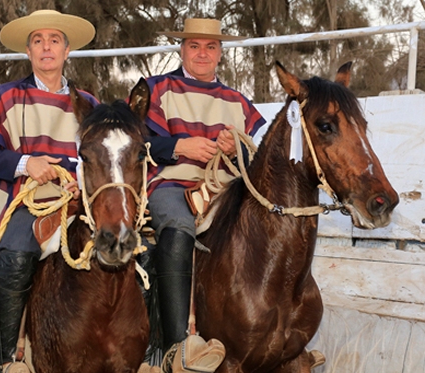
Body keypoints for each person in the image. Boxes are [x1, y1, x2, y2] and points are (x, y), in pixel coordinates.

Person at [0, 9, 99, 370]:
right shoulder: (7, 96)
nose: (46, 47)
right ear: (28, 51)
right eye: (38, 41)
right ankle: (6, 360)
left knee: (135, 247)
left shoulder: (90, 104)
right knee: (17, 254)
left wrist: (80, 178)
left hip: (79, 200)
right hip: (27, 202)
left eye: (54, 40)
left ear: (67, 51)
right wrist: (26, 164)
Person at [144, 18, 266, 372]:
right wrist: (179, 144)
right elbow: (134, 143)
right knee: (178, 230)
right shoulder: (157, 89)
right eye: (194, 46)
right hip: (172, 184)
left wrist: (236, 151)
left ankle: (272, 334)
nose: (202, 53)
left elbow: (254, 159)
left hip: (226, 188)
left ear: (220, 54)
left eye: (210, 47)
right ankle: (175, 347)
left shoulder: (237, 101)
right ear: (181, 50)